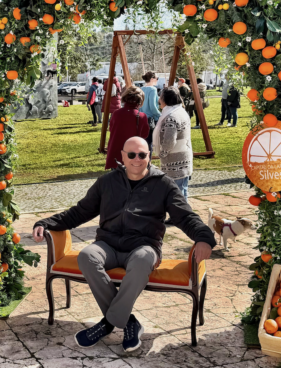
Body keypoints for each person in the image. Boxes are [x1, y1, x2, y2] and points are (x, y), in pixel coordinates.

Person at [32, 136, 215, 352]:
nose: (136, 159)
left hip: (144, 246)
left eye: (142, 155)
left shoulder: (163, 184)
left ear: (149, 156)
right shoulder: (107, 182)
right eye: (131, 155)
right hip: (108, 244)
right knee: (87, 256)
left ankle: (108, 323)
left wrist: (204, 237)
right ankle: (129, 322)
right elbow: (80, 212)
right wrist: (46, 223)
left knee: (142, 259)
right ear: (122, 156)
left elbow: (185, 216)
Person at [153, 87, 193, 202]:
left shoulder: (171, 117)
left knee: (176, 193)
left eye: (160, 97)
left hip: (175, 160)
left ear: (165, 99)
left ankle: (178, 218)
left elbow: (169, 141)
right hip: (183, 157)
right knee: (182, 191)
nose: (159, 99)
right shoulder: (180, 111)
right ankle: (182, 218)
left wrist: (162, 153)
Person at [105, 87, 150, 170]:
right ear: (140, 100)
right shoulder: (141, 116)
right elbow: (144, 134)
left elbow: (111, 129)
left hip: (116, 152)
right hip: (132, 154)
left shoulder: (116, 113)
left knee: (116, 179)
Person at [139, 72, 161, 149]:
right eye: (157, 78)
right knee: (149, 142)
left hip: (141, 118)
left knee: (142, 141)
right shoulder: (153, 89)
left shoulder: (141, 89)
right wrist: (160, 115)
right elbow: (153, 106)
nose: (157, 80)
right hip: (151, 118)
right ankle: (148, 160)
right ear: (152, 79)